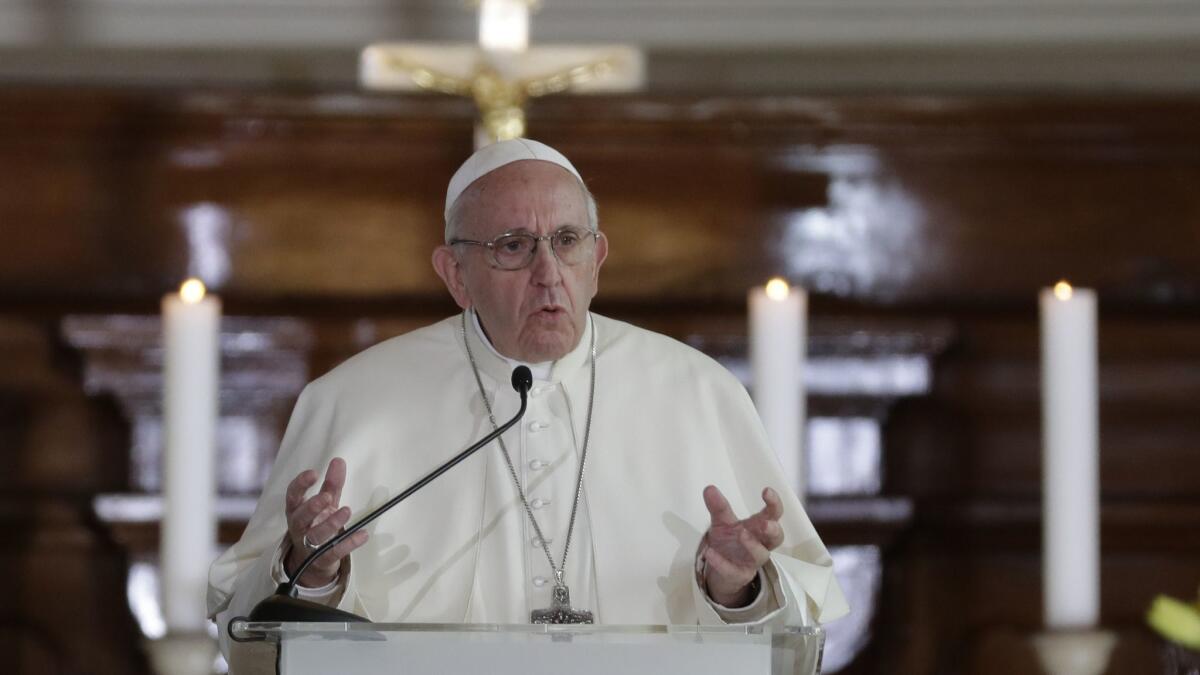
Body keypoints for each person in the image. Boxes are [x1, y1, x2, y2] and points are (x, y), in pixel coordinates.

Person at [208, 138, 848, 658]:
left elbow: (796, 628)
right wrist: (310, 567)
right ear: (455, 275)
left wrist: (737, 586)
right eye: (513, 247)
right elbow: (254, 636)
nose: (549, 273)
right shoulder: (353, 399)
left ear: (596, 260)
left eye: (567, 242)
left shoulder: (698, 391)